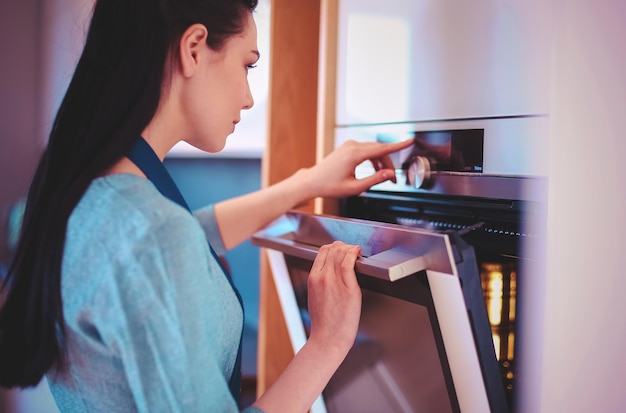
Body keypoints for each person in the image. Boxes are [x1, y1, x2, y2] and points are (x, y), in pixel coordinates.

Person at [0, 0, 412, 411]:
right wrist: (328, 342)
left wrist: (306, 182)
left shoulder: (79, 197)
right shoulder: (152, 233)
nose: (249, 98)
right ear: (193, 48)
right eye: (247, 65)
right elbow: (163, 246)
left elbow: (180, 242)